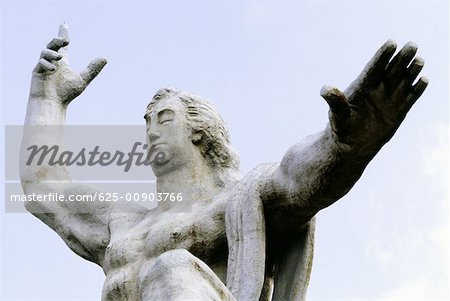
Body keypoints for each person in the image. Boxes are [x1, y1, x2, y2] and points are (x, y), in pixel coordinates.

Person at [20, 24, 428, 301]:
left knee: (173, 267)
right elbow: (42, 189)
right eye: (146, 122)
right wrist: (47, 100)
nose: (150, 130)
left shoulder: (237, 198)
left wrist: (344, 146)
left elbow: (297, 178)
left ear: (201, 132)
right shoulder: (121, 221)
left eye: (165, 118)